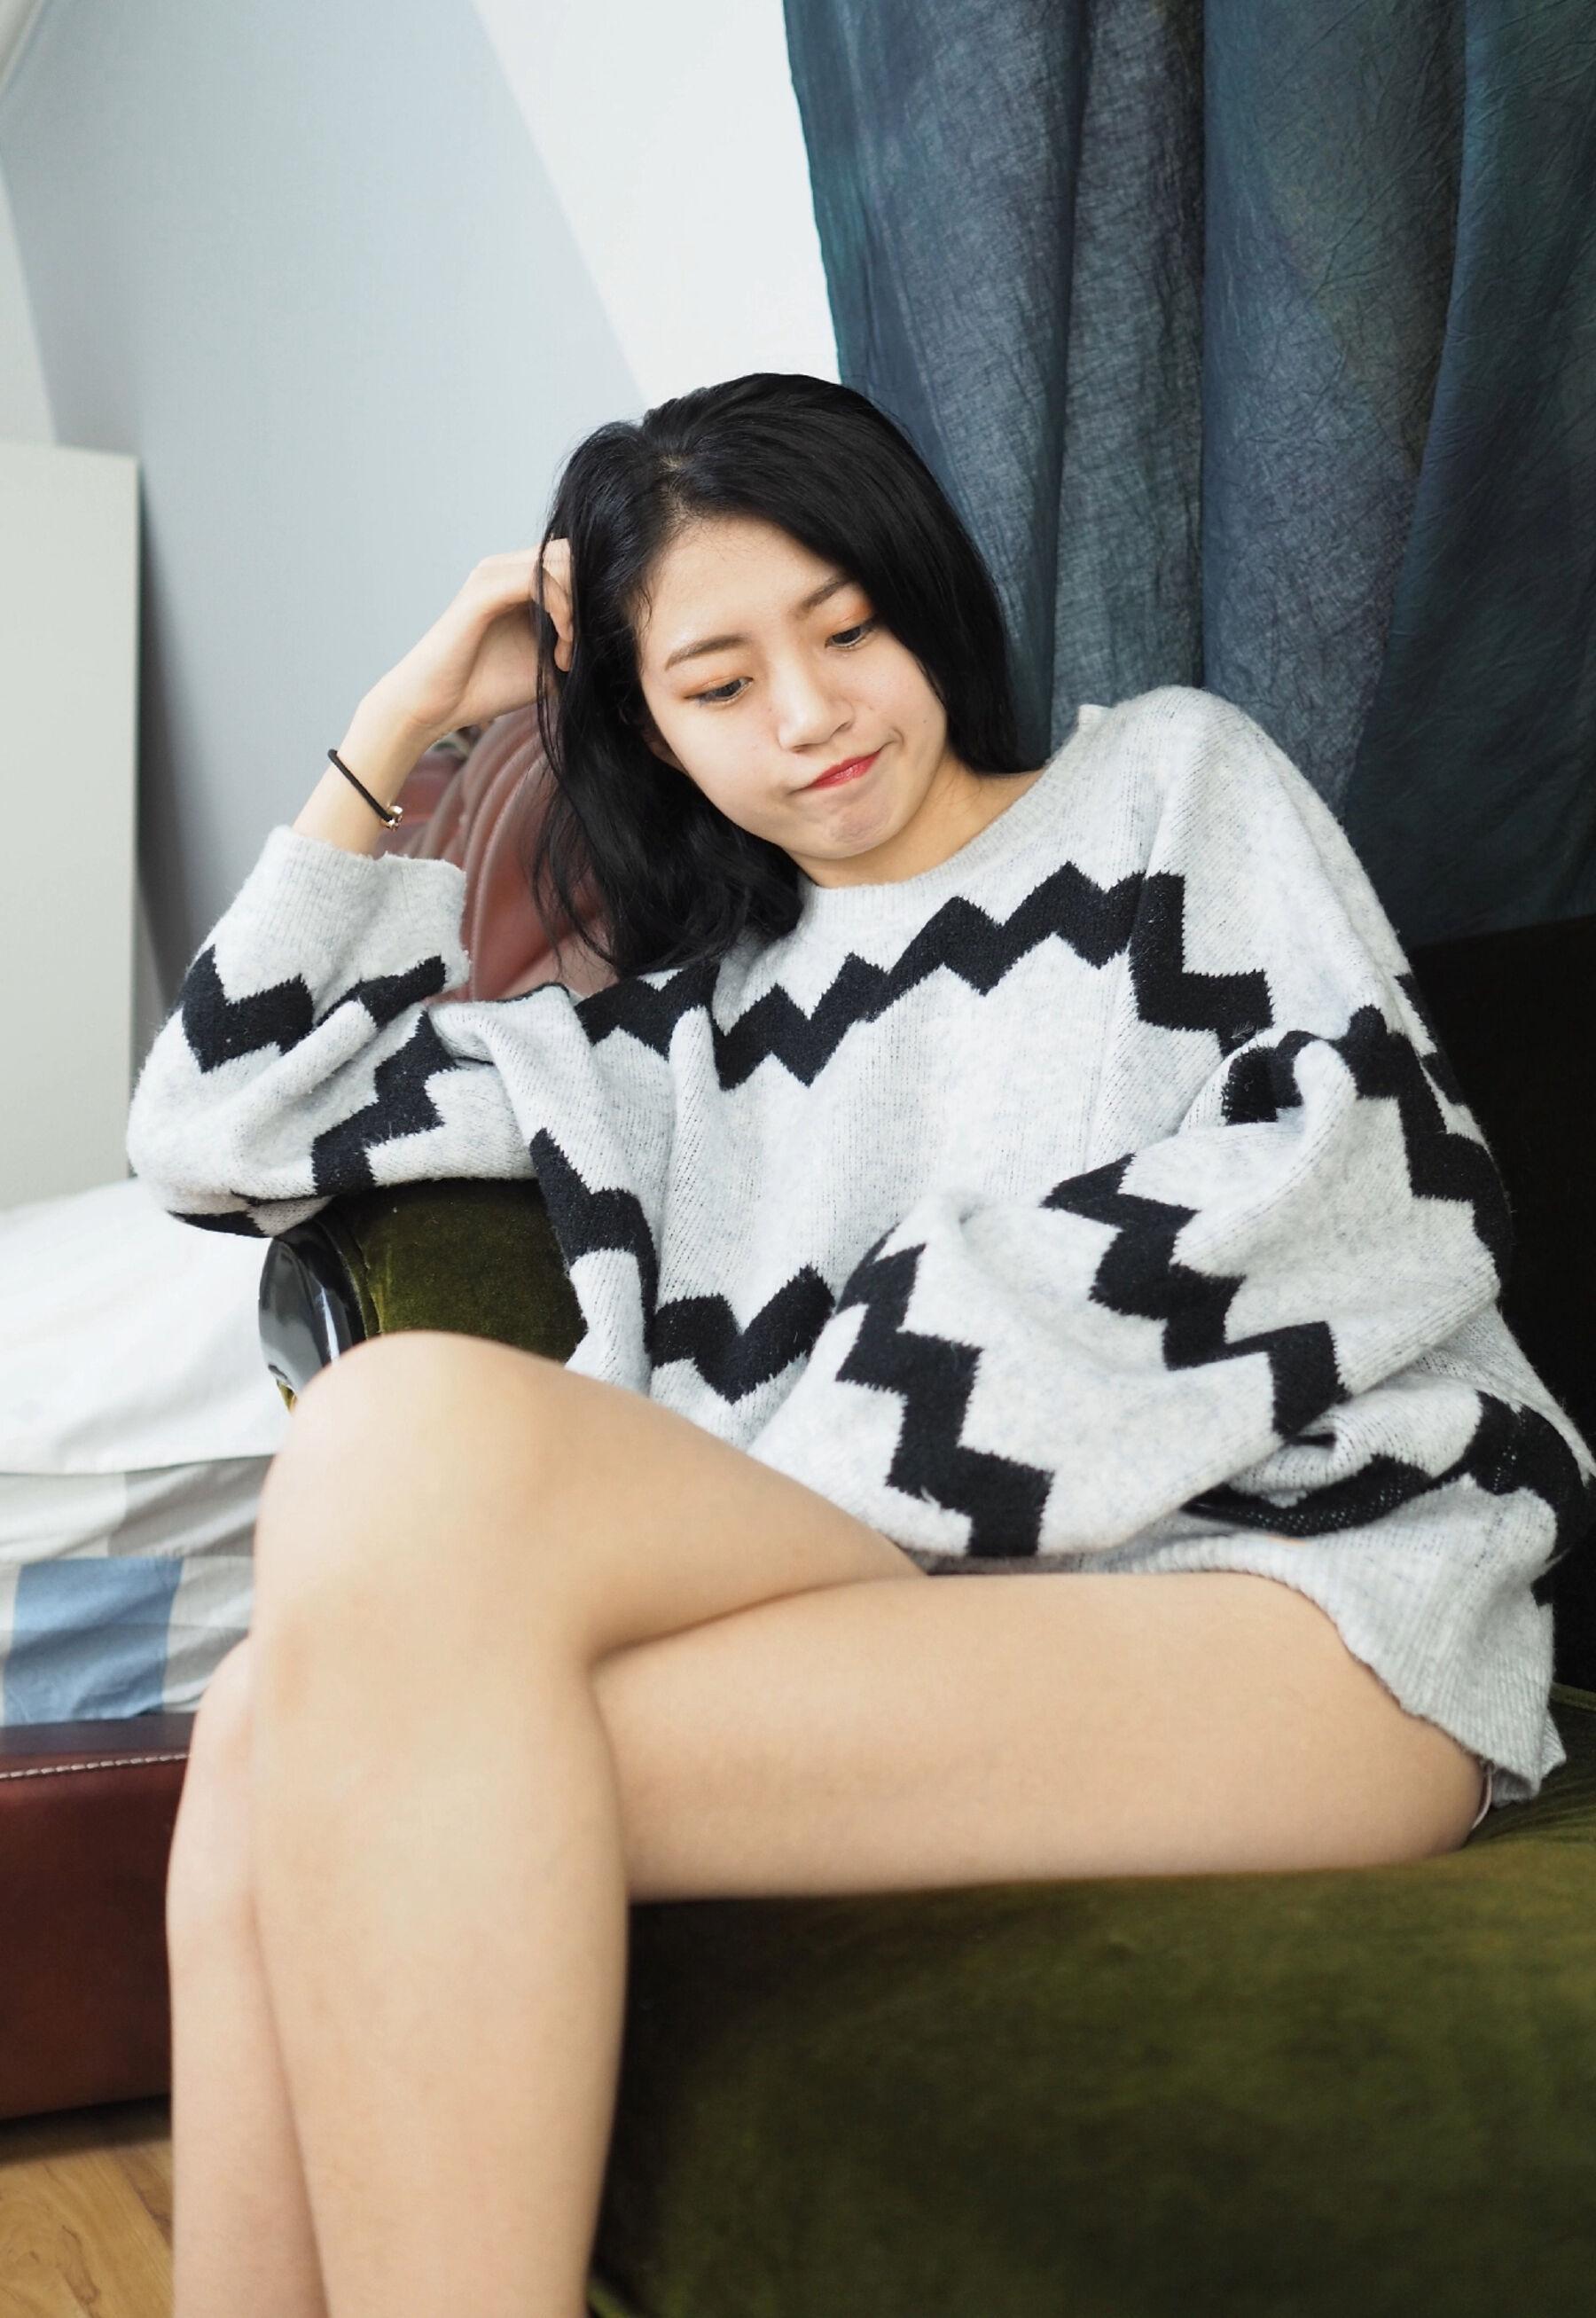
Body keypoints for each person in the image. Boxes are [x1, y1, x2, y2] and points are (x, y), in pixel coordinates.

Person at [133, 372, 1584, 2318]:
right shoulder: (670, 1040)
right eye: (720, 682)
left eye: (848, 628)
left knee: (391, 1449)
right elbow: (209, 1130)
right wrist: (405, 726)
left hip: (1301, 1609)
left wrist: (867, 1417)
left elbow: (1384, 1184)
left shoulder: (1170, 789)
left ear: (927, 602)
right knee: (268, 1729)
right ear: (641, 721)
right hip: (903, 1619)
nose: (810, 715)